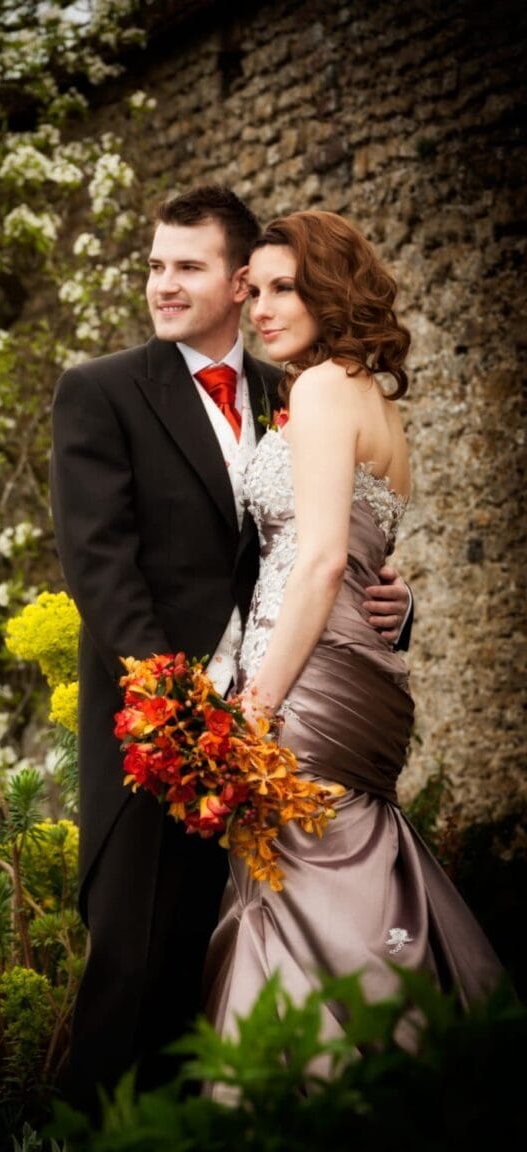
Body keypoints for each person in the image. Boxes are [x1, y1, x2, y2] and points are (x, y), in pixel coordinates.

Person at [49, 187, 412, 1114]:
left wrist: (389, 604)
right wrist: (178, 712)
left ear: (237, 279)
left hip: (275, 720)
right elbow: (102, 570)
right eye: (154, 266)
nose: (163, 285)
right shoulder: (100, 390)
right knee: (131, 969)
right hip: (159, 730)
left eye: (188, 267)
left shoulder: (290, 386)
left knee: (229, 964)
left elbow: (320, 545)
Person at [203, 209, 506, 1066]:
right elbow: (364, 553)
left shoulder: (324, 388)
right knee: (337, 879)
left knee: (300, 887)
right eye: (252, 289)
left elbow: (325, 560)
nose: (258, 306)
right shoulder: (365, 396)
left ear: (330, 291)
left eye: (283, 288)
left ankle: (326, 1091)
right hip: (358, 673)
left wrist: (252, 710)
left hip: (304, 687)